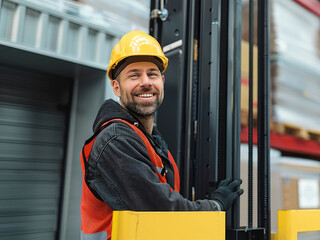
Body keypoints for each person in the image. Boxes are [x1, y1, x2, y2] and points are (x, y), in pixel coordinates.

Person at [80, 30, 244, 240]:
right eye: (134, 75)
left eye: (152, 74)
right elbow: (161, 212)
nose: (146, 82)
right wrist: (215, 205)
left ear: (162, 81)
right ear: (116, 87)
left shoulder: (151, 139)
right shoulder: (115, 140)